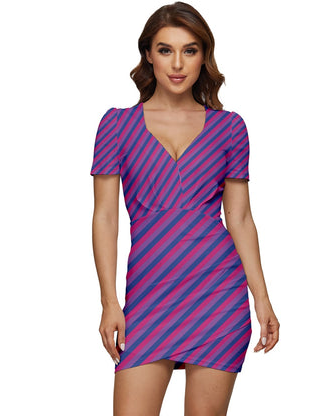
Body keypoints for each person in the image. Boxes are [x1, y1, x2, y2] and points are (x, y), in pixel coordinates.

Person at [90, 2, 280, 415]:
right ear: (148, 54)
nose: (177, 63)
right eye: (165, 50)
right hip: (148, 295)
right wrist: (109, 301)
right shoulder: (116, 125)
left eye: (189, 50)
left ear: (203, 56)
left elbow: (240, 219)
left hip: (218, 294)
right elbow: (105, 218)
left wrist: (262, 298)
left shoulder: (230, 128)